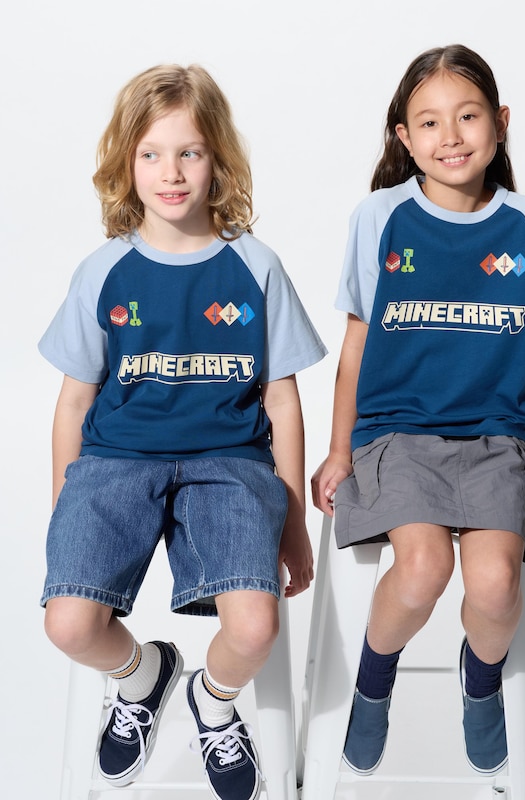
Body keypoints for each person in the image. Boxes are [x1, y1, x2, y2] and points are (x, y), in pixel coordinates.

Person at [39, 63, 326, 800]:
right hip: (116, 461)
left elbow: (284, 402)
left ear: (217, 159)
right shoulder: (103, 271)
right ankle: (144, 677)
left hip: (228, 464)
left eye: (189, 152)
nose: (171, 173)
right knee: (69, 624)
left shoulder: (255, 266)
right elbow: (72, 404)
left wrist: (293, 519)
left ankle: (213, 700)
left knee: (255, 627)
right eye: (152, 154)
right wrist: (64, 507)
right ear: (126, 163)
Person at [312, 43, 525, 776]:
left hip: (496, 441)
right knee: (423, 566)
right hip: (397, 435)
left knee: (494, 584)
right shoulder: (381, 217)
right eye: (428, 122)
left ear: (501, 122)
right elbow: (355, 346)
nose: (450, 136)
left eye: (468, 116)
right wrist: (339, 451)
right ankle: (373, 680)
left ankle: (480, 680)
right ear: (404, 136)